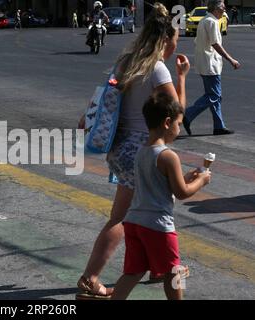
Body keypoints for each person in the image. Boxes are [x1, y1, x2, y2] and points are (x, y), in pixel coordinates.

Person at [76, 2, 190, 299]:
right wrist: (182, 78)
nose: (173, 47)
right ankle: (91, 278)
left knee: (137, 213)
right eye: (174, 42)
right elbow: (175, 118)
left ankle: (155, 267)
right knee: (131, 217)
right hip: (145, 151)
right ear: (166, 40)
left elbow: (103, 98)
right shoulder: (158, 69)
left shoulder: (126, 61)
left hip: (119, 147)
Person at [111, 93, 211, 300]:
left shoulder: (141, 151)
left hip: (134, 221)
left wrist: (184, 177)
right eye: (179, 123)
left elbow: (156, 183)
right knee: (175, 271)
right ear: (168, 123)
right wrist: (201, 181)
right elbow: (181, 192)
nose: (179, 128)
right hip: (157, 224)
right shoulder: (168, 156)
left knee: (133, 272)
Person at [183, 0, 240, 136]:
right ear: (216, 8)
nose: (224, 11)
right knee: (214, 95)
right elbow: (215, 44)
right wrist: (231, 59)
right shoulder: (212, 22)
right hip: (210, 64)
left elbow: (198, 41)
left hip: (204, 63)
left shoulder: (204, 20)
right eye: (223, 8)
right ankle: (187, 115)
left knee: (215, 96)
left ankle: (218, 126)